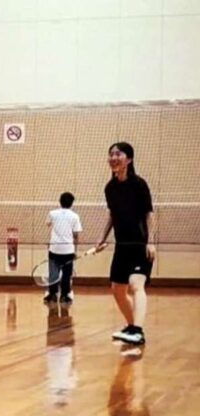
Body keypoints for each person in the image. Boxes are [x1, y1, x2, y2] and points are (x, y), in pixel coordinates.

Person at [95, 142, 155, 345]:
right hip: (121, 246)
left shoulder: (139, 184)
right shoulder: (110, 188)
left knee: (136, 285)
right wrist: (102, 238)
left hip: (139, 244)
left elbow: (149, 214)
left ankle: (137, 330)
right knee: (117, 290)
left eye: (118, 154)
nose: (113, 157)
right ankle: (132, 327)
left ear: (128, 159)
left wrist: (151, 242)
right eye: (110, 154)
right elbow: (112, 215)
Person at [44, 192, 83, 304]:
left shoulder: (52, 213)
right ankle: (65, 296)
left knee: (53, 273)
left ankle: (52, 294)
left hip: (54, 248)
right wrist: (75, 251)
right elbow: (76, 235)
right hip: (68, 250)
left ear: (60, 201)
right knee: (67, 274)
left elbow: (47, 224)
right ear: (72, 203)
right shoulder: (75, 216)